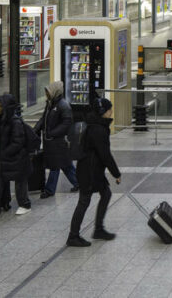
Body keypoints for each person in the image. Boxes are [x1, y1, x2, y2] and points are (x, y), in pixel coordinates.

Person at [67, 97, 121, 247]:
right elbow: (105, 155)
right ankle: (73, 236)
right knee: (84, 201)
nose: (111, 111)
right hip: (89, 171)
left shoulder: (96, 125)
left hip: (93, 169)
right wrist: (116, 173)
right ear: (103, 112)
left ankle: (98, 229)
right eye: (109, 109)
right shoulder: (98, 129)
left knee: (106, 193)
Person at [0, 94, 31, 220]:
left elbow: (18, 142)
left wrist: (5, 152)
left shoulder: (15, 121)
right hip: (6, 158)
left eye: (0, 106)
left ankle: (25, 204)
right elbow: (4, 135)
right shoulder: (1, 119)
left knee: (20, 182)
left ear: (7, 107)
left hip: (17, 157)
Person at [35, 81, 79, 198]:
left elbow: (66, 124)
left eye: (48, 92)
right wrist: (36, 129)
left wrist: (51, 133)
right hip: (52, 141)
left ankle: (49, 190)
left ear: (55, 92)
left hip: (58, 142)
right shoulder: (50, 104)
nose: (46, 94)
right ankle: (79, 183)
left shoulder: (63, 106)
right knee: (66, 165)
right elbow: (43, 118)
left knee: (55, 166)